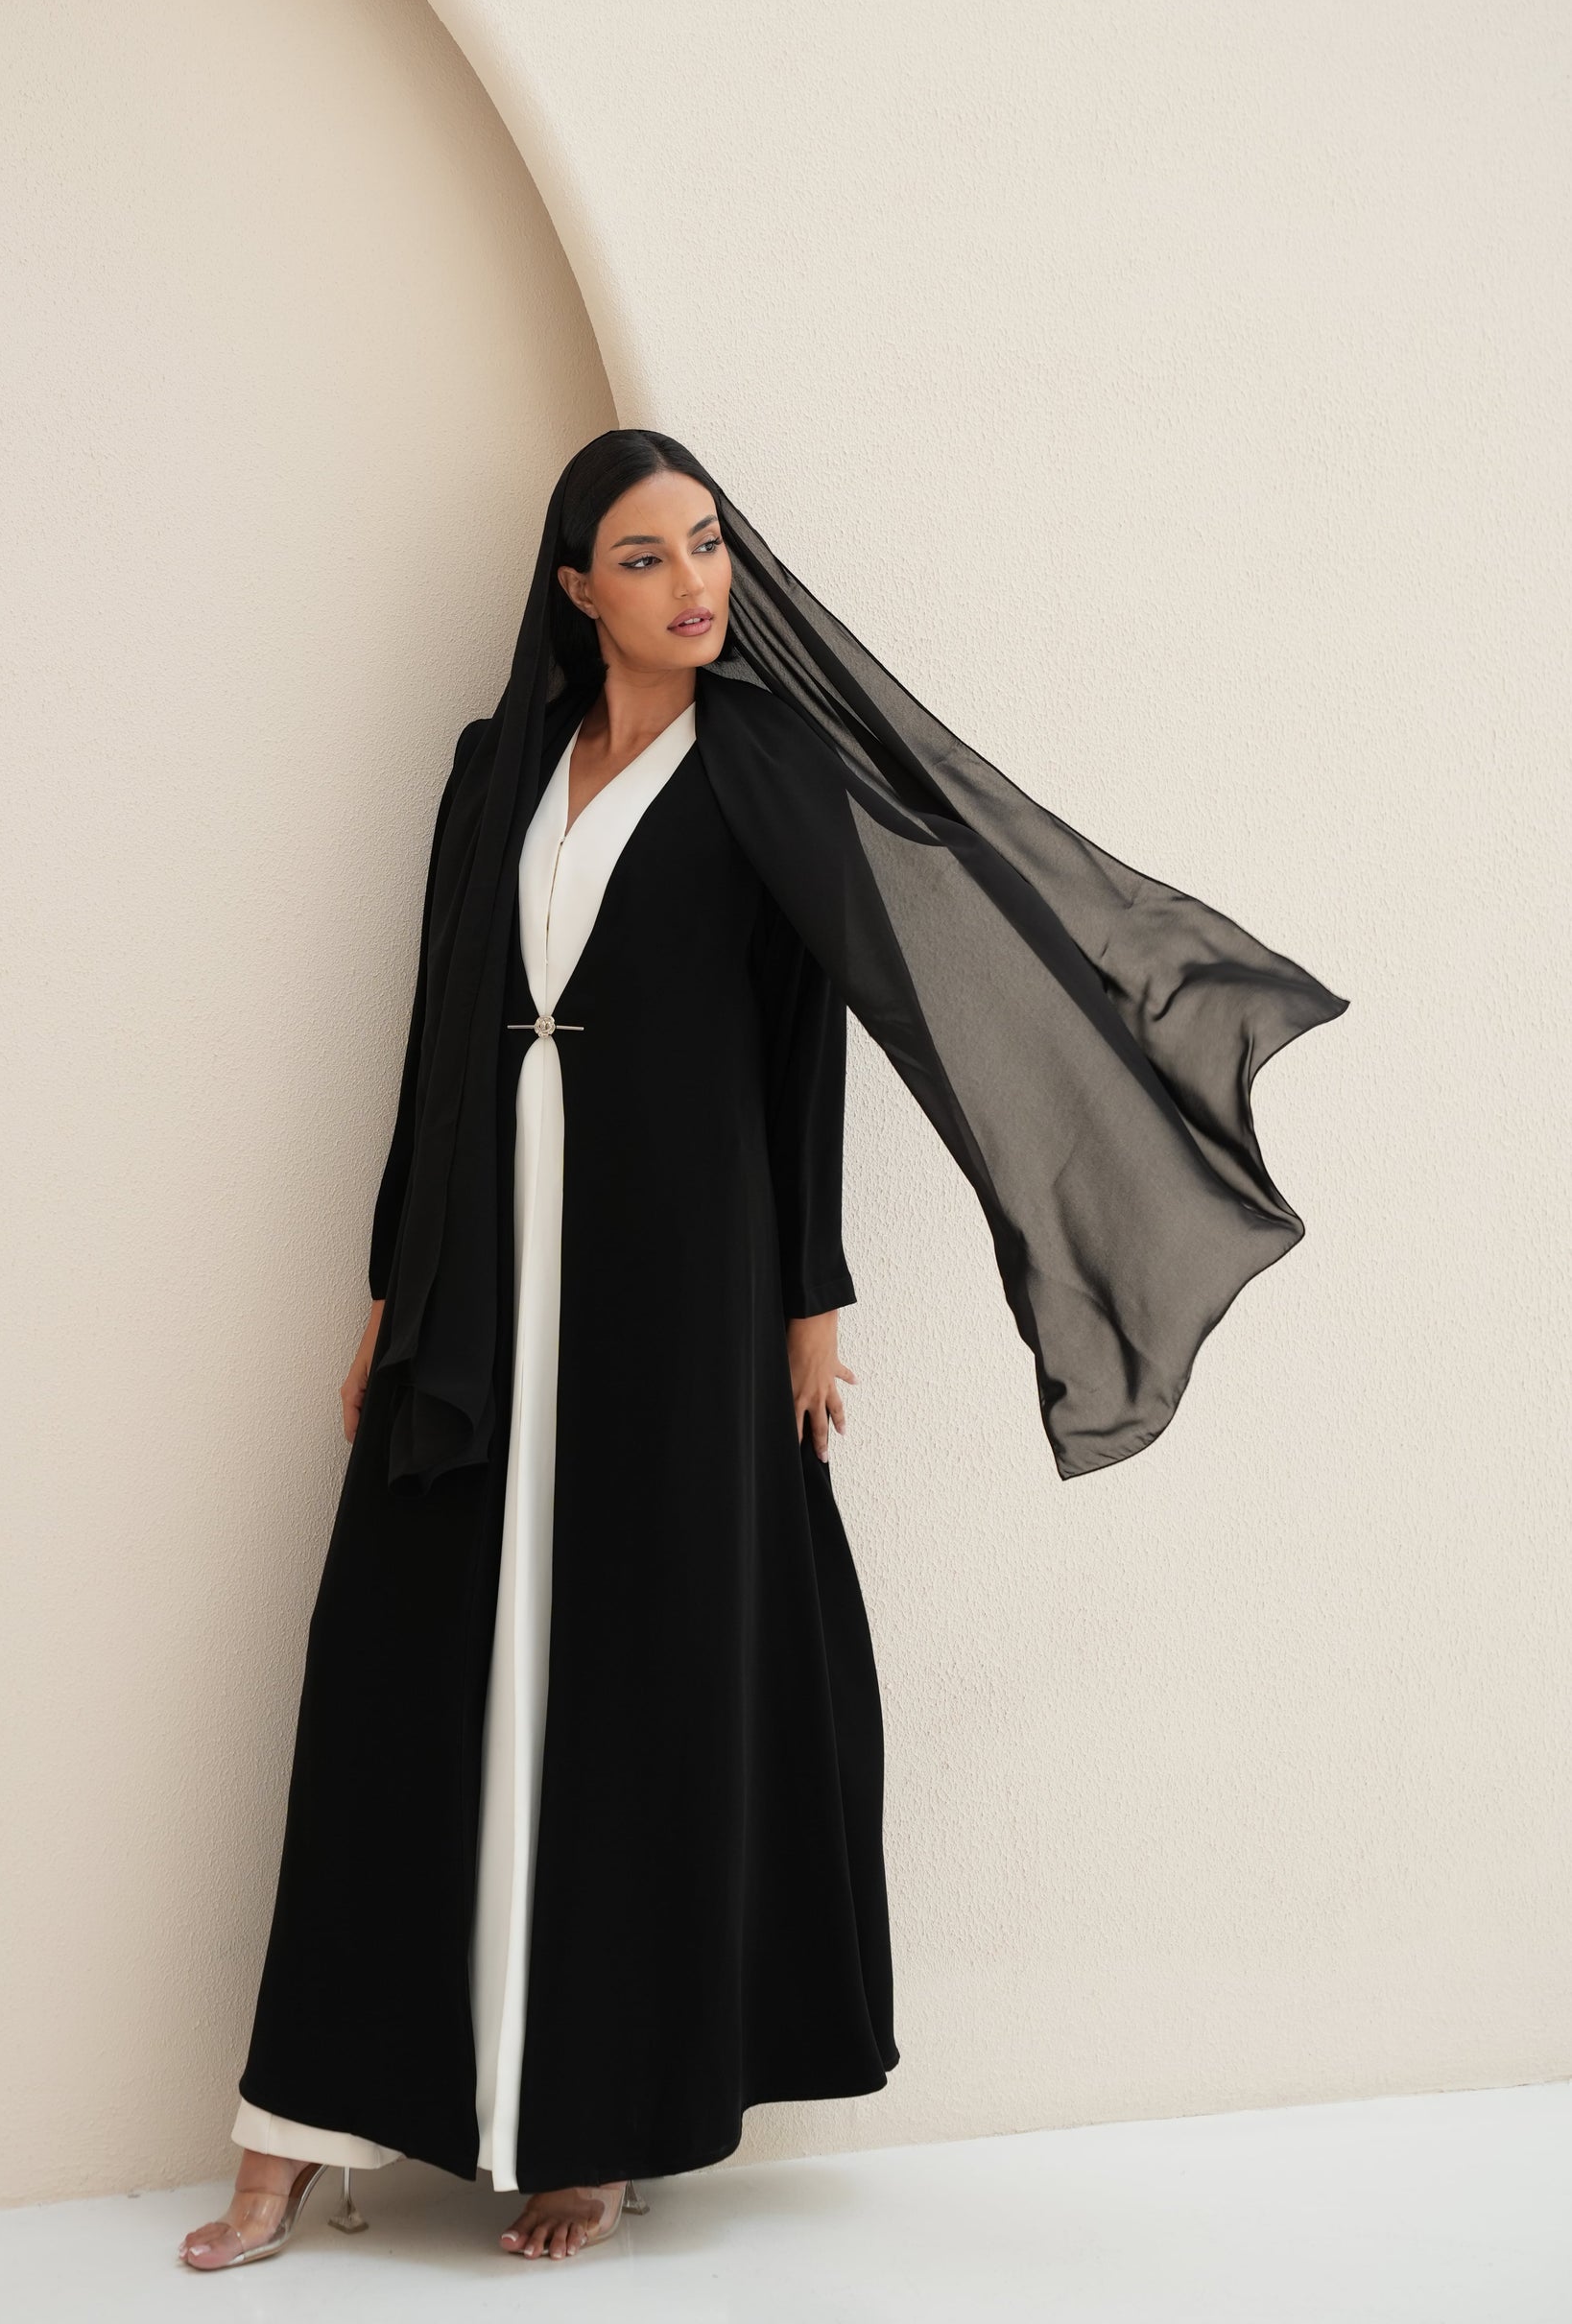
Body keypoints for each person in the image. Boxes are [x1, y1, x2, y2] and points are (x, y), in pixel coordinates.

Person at [177, 430, 1347, 2269]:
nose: (693, 585)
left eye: (708, 545)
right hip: (483, 1267)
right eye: (645, 557)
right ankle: (302, 2130)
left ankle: (599, 2126)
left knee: (646, 1660)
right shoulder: (494, 771)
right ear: (577, 588)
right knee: (399, 1662)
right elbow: (433, 1039)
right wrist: (393, 1291)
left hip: (682, 1267)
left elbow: (811, 1047)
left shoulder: (764, 768)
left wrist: (809, 1298)